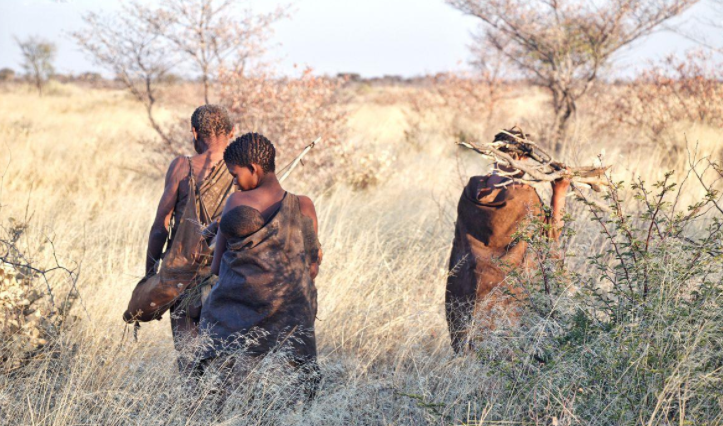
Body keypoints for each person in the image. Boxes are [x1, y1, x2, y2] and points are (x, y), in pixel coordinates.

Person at [198, 132, 321, 395]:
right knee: (295, 390)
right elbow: (313, 266)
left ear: (254, 169)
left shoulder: (235, 202)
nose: (235, 183)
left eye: (235, 175)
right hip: (293, 314)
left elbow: (217, 267)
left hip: (241, 310)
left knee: (211, 324)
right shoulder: (305, 205)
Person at [445, 128, 570, 353]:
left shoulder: (472, 190)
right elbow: (550, 236)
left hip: (468, 284)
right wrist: (559, 193)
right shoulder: (523, 195)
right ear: (522, 159)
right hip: (506, 290)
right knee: (504, 358)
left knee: (471, 354)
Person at [144, 105, 235, 370]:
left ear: (194, 132)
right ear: (232, 132)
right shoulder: (244, 169)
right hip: (228, 274)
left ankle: (191, 410)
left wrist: (150, 274)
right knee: (225, 360)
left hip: (184, 275)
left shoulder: (182, 167)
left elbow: (160, 225)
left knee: (189, 360)